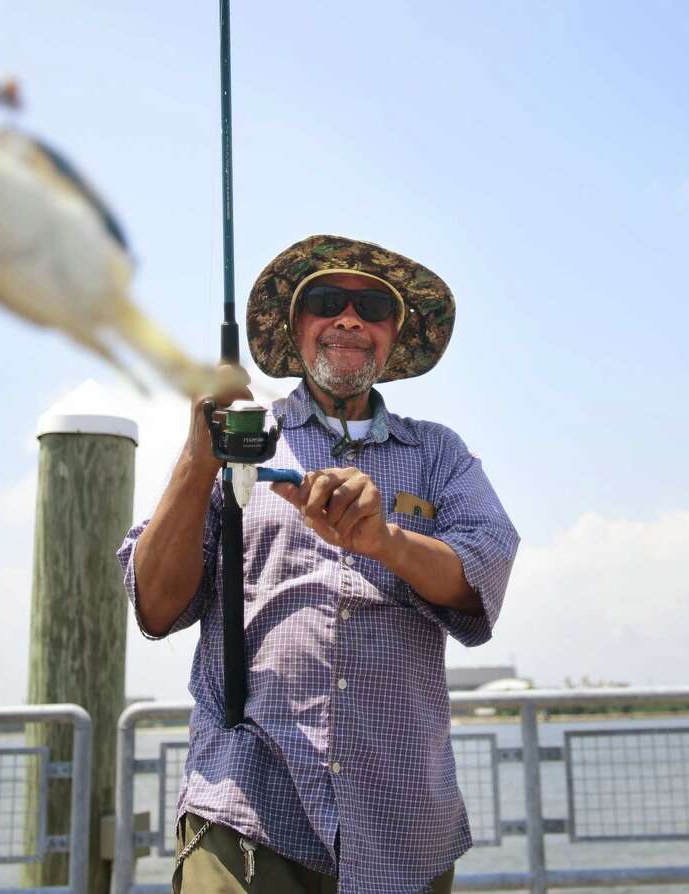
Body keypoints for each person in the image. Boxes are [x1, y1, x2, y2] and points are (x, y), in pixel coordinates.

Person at [117, 235, 519, 894]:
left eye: (374, 308)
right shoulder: (242, 436)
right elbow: (156, 605)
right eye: (327, 301)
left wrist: (386, 540)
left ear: (392, 337)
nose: (350, 319)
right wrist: (198, 457)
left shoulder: (439, 454)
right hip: (245, 808)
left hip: (404, 821)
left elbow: (485, 567)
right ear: (296, 328)